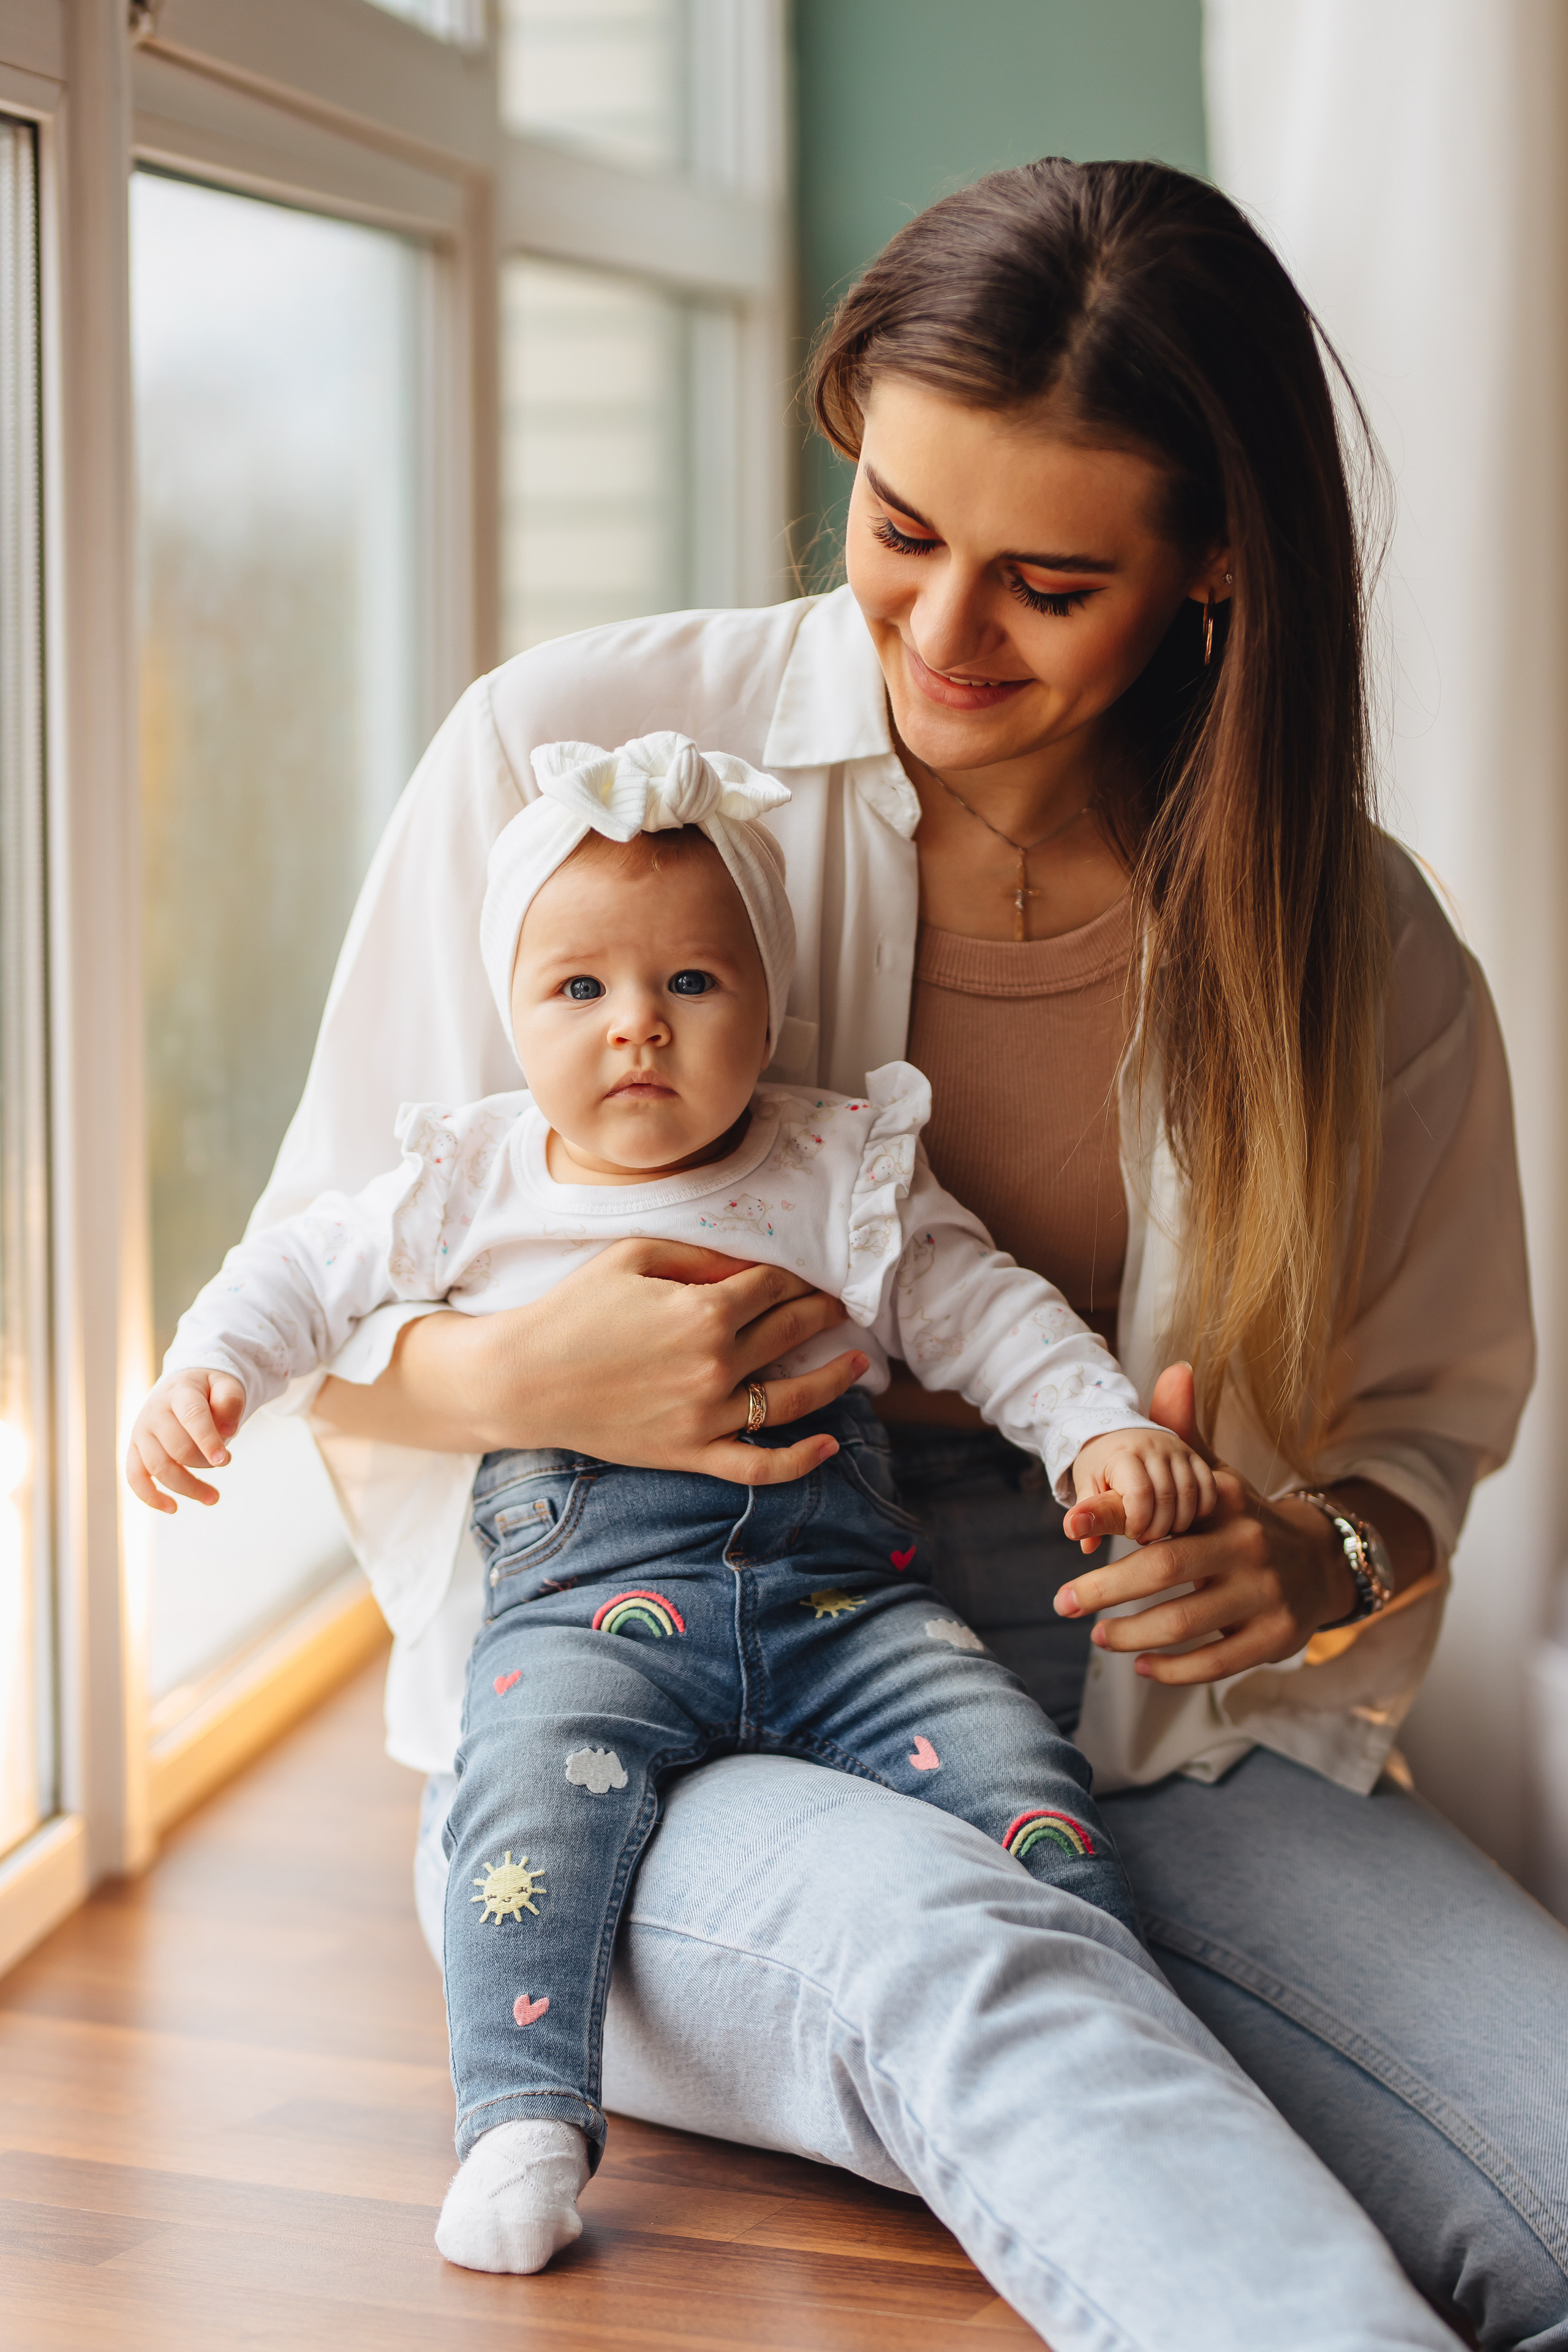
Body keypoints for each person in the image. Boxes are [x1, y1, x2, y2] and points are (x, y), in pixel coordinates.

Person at [175, 159, 1562, 2346]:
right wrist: (535, 1381)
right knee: (973, 1966)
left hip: (1127, 1678)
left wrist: (1313, 1564)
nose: (938, 636)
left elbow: (1424, 1440)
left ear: (1214, 569)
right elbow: (303, 1318)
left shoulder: (1357, 949)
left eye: (1047, 583)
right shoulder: (578, 764)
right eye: (900, 531)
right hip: (633, 1678)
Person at [128, 728, 1218, 2272]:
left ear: (769, 1001)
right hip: (585, 1620)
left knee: (1014, 1759)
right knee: (521, 1807)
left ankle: (1114, 2055)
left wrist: (1096, 1430)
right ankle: (518, 2114)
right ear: (510, 1011)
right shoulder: (474, 1179)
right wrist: (206, 1371)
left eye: (691, 986)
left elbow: (985, 1310)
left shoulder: (836, 1161)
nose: (636, 1028)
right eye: (579, 991)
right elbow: (298, 1273)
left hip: (849, 1605)